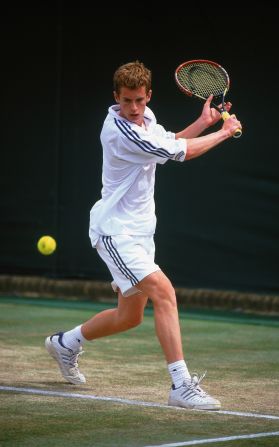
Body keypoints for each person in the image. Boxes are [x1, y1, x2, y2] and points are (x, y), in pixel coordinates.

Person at [45, 60, 241, 410]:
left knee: (130, 317)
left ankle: (65, 343)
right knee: (164, 292)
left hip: (140, 232)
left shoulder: (145, 120)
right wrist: (225, 132)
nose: (133, 109)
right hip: (115, 232)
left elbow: (169, 141)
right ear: (116, 98)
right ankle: (181, 386)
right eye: (126, 101)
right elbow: (177, 154)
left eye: (139, 100)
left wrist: (204, 123)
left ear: (148, 96)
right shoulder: (119, 130)